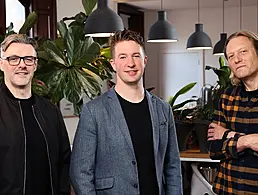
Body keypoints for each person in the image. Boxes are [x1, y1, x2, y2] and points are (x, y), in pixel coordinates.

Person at [70, 29, 182, 195]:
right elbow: (80, 172)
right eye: (123, 57)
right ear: (114, 64)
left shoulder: (163, 109)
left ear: (145, 60)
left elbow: (172, 166)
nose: (131, 63)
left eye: (136, 56)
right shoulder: (94, 111)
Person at [0, 34, 71, 195]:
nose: (22, 65)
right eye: (14, 59)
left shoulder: (51, 111)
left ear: (35, 65)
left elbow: (64, 161)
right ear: (1, 64)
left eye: (28, 59)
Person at [207, 30, 258, 194]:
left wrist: (227, 134)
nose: (237, 59)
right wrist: (247, 141)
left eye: (243, 51)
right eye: (231, 56)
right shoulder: (227, 97)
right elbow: (213, 149)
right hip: (228, 190)